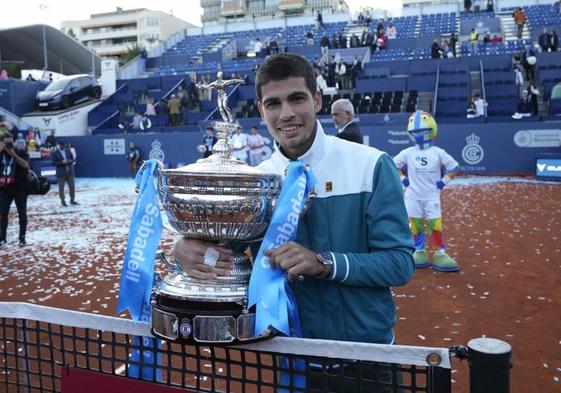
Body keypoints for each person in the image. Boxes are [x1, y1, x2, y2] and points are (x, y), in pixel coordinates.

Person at [173, 54, 414, 356]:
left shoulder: (372, 165)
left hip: (368, 356)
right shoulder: (254, 183)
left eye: (297, 99)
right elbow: (221, 256)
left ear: (317, 100)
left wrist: (323, 263)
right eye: (274, 104)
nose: (286, 113)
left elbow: (399, 264)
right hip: (288, 356)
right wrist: (186, 252)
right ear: (261, 110)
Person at [394, 110, 460, 272]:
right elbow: (392, 165)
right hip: (412, 197)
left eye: (423, 129)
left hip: (431, 197)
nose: (419, 133)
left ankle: (440, 252)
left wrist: (443, 182)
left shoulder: (438, 152)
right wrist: (403, 179)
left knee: (435, 225)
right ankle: (419, 250)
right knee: (415, 225)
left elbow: (454, 167)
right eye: (416, 131)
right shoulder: (408, 153)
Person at [0, 133, 30, 246]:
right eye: (6, 143)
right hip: (5, 187)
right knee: (3, 213)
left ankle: (22, 237)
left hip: (20, 188)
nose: (9, 145)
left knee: (22, 213)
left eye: (10, 143)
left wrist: (14, 155)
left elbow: (25, 164)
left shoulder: (20, 152)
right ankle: (2, 237)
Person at [52, 140, 78, 207]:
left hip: (70, 172)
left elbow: (73, 159)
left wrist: (69, 161)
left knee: (72, 187)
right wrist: (62, 162)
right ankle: (63, 201)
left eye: (64, 146)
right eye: (62, 146)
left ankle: (72, 200)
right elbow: (54, 163)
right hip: (61, 173)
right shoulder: (55, 153)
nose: (63, 147)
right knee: (61, 188)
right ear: (59, 146)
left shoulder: (68, 151)